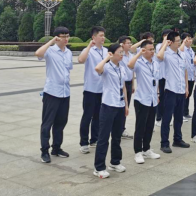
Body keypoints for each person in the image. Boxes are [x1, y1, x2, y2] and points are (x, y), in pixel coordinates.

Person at [35, 27, 73, 164]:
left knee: (61, 122)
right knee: (47, 123)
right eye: (63, 36)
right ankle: (44, 150)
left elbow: (67, 70)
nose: (66, 39)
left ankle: (56, 148)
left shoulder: (68, 52)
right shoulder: (50, 51)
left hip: (65, 92)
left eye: (67, 36)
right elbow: (38, 53)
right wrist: (51, 41)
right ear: (57, 38)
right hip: (52, 92)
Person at [93, 43, 129, 179]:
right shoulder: (106, 67)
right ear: (111, 54)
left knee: (117, 136)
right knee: (103, 137)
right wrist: (106, 58)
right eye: (119, 52)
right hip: (108, 105)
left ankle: (115, 162)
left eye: (122, 52)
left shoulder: (122, 68)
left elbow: (123, 86)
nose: (122, 54)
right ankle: (99, 167)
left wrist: (126, 105)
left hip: (120, 105)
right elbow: (97, 68)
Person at [127, 41, 162, 164]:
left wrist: (157, 94)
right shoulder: (139, 62)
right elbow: (129, 65)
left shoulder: (155, 63)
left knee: (150, 126)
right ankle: (138, 152)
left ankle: (146, 149)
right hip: (142, 99)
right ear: (143, 50)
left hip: (153, 99)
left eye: (153, 49)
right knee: (140, 127)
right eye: (150, 49)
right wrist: (138, 54)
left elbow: (156, 80)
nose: (152, 52)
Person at [157, 31, 190, 154]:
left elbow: (185, 71)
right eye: (177, 41)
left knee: (179, 118)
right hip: (171, 90)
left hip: (181, 90)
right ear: (171, 42)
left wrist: (186, 87)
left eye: (179, 41)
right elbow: (159, 57)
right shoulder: (166, 54)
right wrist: (165, 44)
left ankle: (178, 139)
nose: (179, 43)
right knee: (167, 118)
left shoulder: (182, 54)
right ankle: (164, 143)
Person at [77, 27, 108, 155]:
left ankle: (94, 139)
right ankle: (84, 143)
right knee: (87, 116)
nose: (103, 37)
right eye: (101, 35)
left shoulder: (106, 51)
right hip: (90, 89)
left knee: (98, 116)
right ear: (94, 37)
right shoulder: (88, 50)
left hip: (102, 89)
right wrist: (89, 46)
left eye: (104, 35)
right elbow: (80, 60)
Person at [118, 36, 136, 140]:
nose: (130, 45)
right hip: (121, 84)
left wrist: (133, 84)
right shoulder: (120, 56)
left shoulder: (131, 55)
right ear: (122, 44)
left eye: (130, 43)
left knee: (126, 106)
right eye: (128, 43)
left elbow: (132, 70)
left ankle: (122, 128)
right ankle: (118, 129)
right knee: (120, 107)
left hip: (129, 83)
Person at [155, 30, 172, 127]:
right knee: (161, 98)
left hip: (170, 77)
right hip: (162, 76)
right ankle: (158, 117)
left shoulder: (171, 48)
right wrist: (165, 42)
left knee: (168, 99)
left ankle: (167, 117)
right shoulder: (159, 46)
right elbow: (159, 54)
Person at [180, 33, 195, 122]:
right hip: (185, 76)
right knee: (183, 95)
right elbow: (180, 50)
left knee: (188, 95)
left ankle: (186, 112)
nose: (190, 40)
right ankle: (181, 113)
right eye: (188, 39)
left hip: (191, 76)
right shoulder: (183, 49)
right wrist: (183, 43)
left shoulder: (191, 50)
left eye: (190, 38)